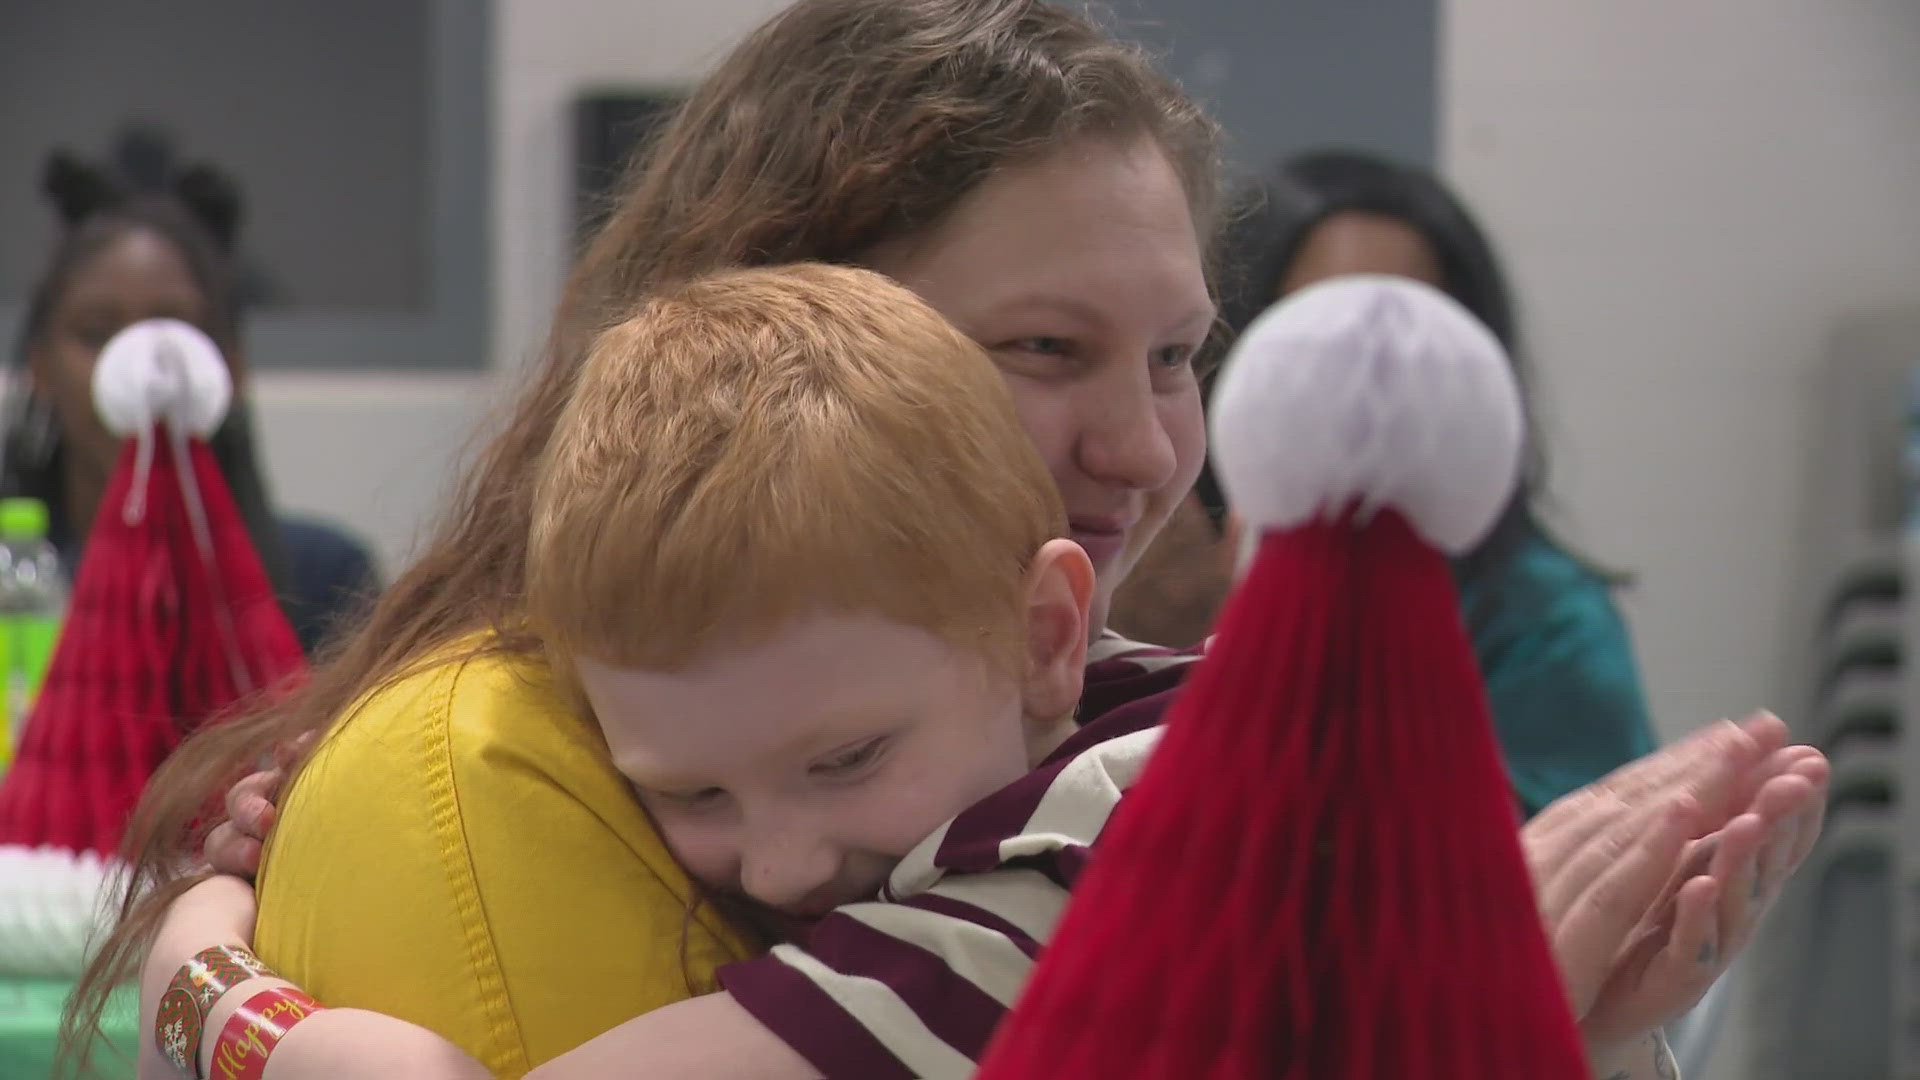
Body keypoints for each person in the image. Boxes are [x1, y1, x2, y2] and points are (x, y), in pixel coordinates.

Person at [65, 2, 1812, 1077]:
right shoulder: (537, 744)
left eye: (1178, 355)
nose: (1145, 450)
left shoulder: (1107, 785)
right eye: (1045, 351)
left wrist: (205, 948)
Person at [1115, 148, 1657, 817]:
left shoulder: (1541, 618)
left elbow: (1577, 850)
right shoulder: (1128, 561)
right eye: (1317, 333)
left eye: (1410, 335)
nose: (1368, 379)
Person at [7, 133, 379, 656]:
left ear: (230, 368)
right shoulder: (15, 580)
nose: (139, 370)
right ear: (40, 369)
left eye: (173, 333)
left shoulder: (325, 580)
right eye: (96, 333)